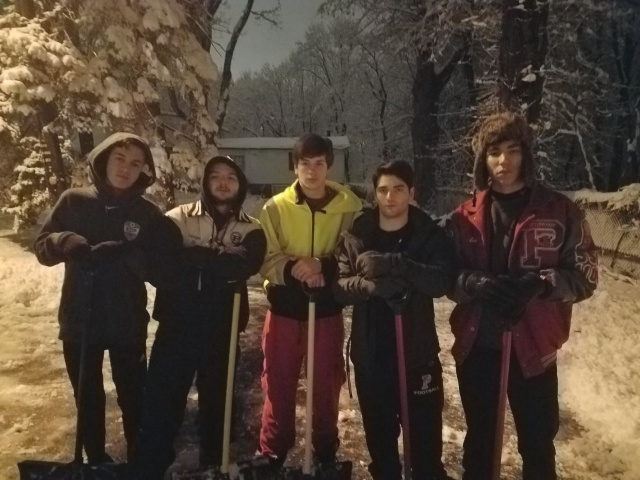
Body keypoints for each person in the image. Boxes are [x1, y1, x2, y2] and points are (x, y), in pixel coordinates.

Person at [448, 111, 598, 480]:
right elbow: (446, 274)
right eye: (494, 152)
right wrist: (472, 283)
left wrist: (541, 284)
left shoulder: (560, 210)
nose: (503, 161)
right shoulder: (464, 214)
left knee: (537, 444)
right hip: (478, 345)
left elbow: (586, 275)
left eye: (512, 150)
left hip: (534, 349)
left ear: (526, 155)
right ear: (483, 159)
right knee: (480, 443)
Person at [34, 132, 168, 463]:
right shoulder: (73, 201)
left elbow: (163, 267)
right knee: (88, 397)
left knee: (134, 396)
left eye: (135, 163)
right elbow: (42, 246)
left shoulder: (147, 214)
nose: (126, 169)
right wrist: (63, 241)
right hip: (81, 318)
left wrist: (130, 258)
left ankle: (139, 460)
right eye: (119, 159)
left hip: (127, 320)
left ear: (144, 170)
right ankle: (94, 460)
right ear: (104, 159)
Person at [133, 155, 266, 479]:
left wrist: (194, 256)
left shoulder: (251, 228)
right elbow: (159, 265)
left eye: (231, 178)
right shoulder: (177, 218)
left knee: (218, 401)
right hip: (177, 322)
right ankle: (152, 464)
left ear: (240, 185)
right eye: (216, 177)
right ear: (205, 183)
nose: (223, 183)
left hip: (223, 324)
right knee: (164, 398)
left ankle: (214, 462)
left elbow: (243, 266)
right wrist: (212, 260)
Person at [333, 160, 456, 480]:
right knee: (382, 446)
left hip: (417, 354)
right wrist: (368, 287)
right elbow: (339, 286)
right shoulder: (358, 232)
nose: (390, 197)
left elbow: (443, 279)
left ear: (411, 192)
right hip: (372, 354)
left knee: (426, 447)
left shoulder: (427, 233)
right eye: (383, 190)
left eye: (398, 189)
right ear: (375, 194)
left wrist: (402, 265)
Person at [258, 133, 362, 467]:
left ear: (329, 165)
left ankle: (325, 448)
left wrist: (324, 265)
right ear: (295, 166)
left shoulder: (350, 208)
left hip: (326, 310)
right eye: (305, 163)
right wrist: (293, 268)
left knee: (326, 381)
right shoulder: (274, 208)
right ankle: (273, 449)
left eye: (319, 163)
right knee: (278, 380)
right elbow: (265, 257)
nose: (312, 171)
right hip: (286, 309)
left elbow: (352, 253)